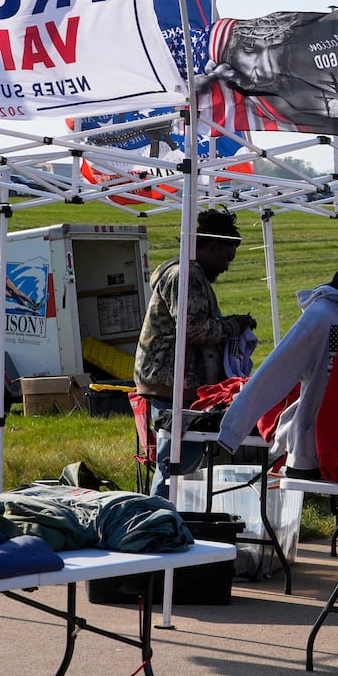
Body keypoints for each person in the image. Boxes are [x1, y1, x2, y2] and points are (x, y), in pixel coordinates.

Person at [133, 208, 256, 497]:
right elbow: (195, 330)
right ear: (211, 246)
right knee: (175, 462)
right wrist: (234, 326)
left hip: (175, 382)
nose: (226, 266)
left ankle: (167, 517)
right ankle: (159, 518)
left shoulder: (187, 274)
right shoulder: (186, 275)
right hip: (171, 383)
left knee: (180, 461)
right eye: (226, 257)